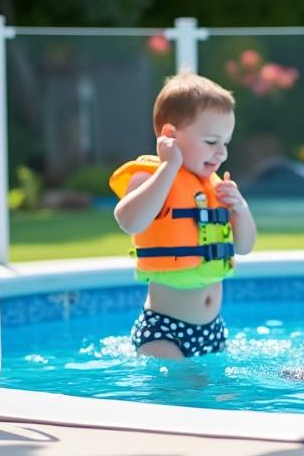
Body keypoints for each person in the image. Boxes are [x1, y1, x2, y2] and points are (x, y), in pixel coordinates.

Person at [110, 72, 257, 359]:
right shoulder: (150, 178)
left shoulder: (215, 189)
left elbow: (244, 246)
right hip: (165, 332)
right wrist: (168, 167)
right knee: (178, 400)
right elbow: (129, 220)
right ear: (170, 136)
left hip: (213, 329)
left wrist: (240, 209)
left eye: (225, 142)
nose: (222, 153)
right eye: (212, 141)